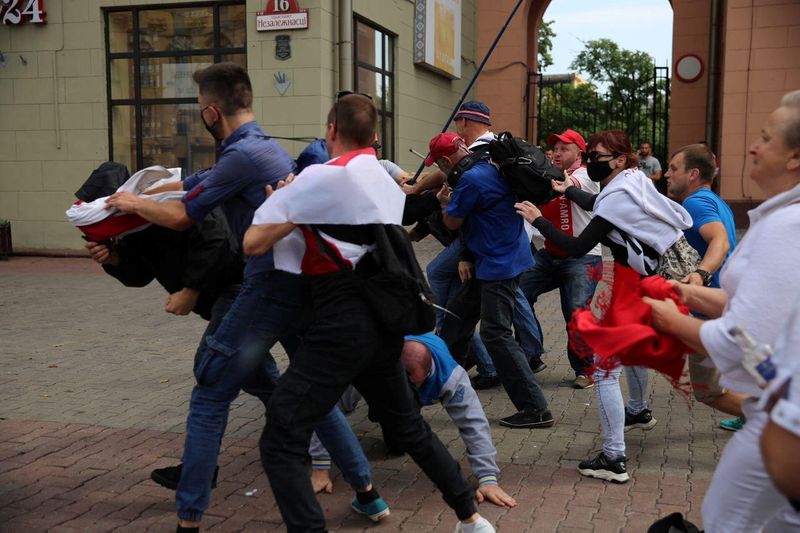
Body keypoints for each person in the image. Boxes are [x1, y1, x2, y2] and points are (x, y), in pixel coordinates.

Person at [106, 63, 383, 531]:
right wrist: (156, 186)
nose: (200, 116)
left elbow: (185, 216)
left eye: (199, 110)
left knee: (210, 391)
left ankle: (189, 518)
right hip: (295, 286)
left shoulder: (242, 157)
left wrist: (130, 204)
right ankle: (369, 494)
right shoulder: (258, 147)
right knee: (304, 395)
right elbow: (198, 182)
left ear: (212, 111)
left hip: (268, 288)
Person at [244, 93, 495, 533]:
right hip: (385, 321)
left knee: (281, 433)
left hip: (339, 322)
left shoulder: (319, 177)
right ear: (375, 137)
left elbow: (252, 243)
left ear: (331, 132)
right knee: (409, 427)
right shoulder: (381, 178)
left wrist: (290, 206)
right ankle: (470, 518)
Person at [644, 90, 800, 532]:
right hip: (777, 415)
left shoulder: (786, 226)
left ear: (795, 157)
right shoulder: (779, 218)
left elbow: (744, 339)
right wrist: (689, 294)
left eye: (766, 138)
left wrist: (672, 319)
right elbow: (759, 301)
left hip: (785, 421)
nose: (752, 146)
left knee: (727, 522)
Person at [515, 129, 695, 482]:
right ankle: (639, 410)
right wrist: (569, 190)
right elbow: (598, 205)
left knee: (603, 366)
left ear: (620, 159)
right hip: (661, 277)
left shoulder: (615, 196)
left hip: (656, 282)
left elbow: (578, 245)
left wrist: (538, 219)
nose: (593, 162)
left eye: (597, 157)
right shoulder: (631, 180)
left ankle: (614, 458)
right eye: (592, 156)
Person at [308, 333, 518, 509]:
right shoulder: (370, 366)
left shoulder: (452, 379)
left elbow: (474, 425)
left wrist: (487, 478)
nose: (403, 383)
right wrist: (320, 465)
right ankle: (379, 409)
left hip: (422, 381)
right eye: (400, 377)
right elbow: (330, 408)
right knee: (393, 430)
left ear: (427, 374)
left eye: (410, 379)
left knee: (401, 442)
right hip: (381, 378)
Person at [430, 131, 553, 429]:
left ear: (447, 160)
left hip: (499, 264)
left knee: (495, 334)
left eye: (439, 165)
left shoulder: (470, 180)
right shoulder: (488, 165)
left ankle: (535, 408)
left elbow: (452, 222)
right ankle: (438, 384)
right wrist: (466, 257)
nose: (441, 170)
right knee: (456, 322)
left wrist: (444, 202)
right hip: (492, 259)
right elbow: (479, 219)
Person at [664, 143, 747, 431]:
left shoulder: (695, 203)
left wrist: (700, 274)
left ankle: (773, 422)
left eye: (674, 168)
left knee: (707, 390)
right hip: (725, 305)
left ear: (693, 173)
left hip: (710, 310)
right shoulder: (714, 200)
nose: (666, 174)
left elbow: (720, 241)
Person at [519, 129, 602, 389]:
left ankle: (586, 370)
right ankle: (531, 354)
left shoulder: (585, 175)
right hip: (551, 254)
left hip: (583, 257)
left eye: (564, 149)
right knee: (515, 292)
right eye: (555, 148)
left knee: (575, 313)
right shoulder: (547, 177)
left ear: (579, 153)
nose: (557, 153)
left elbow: (568, 185)